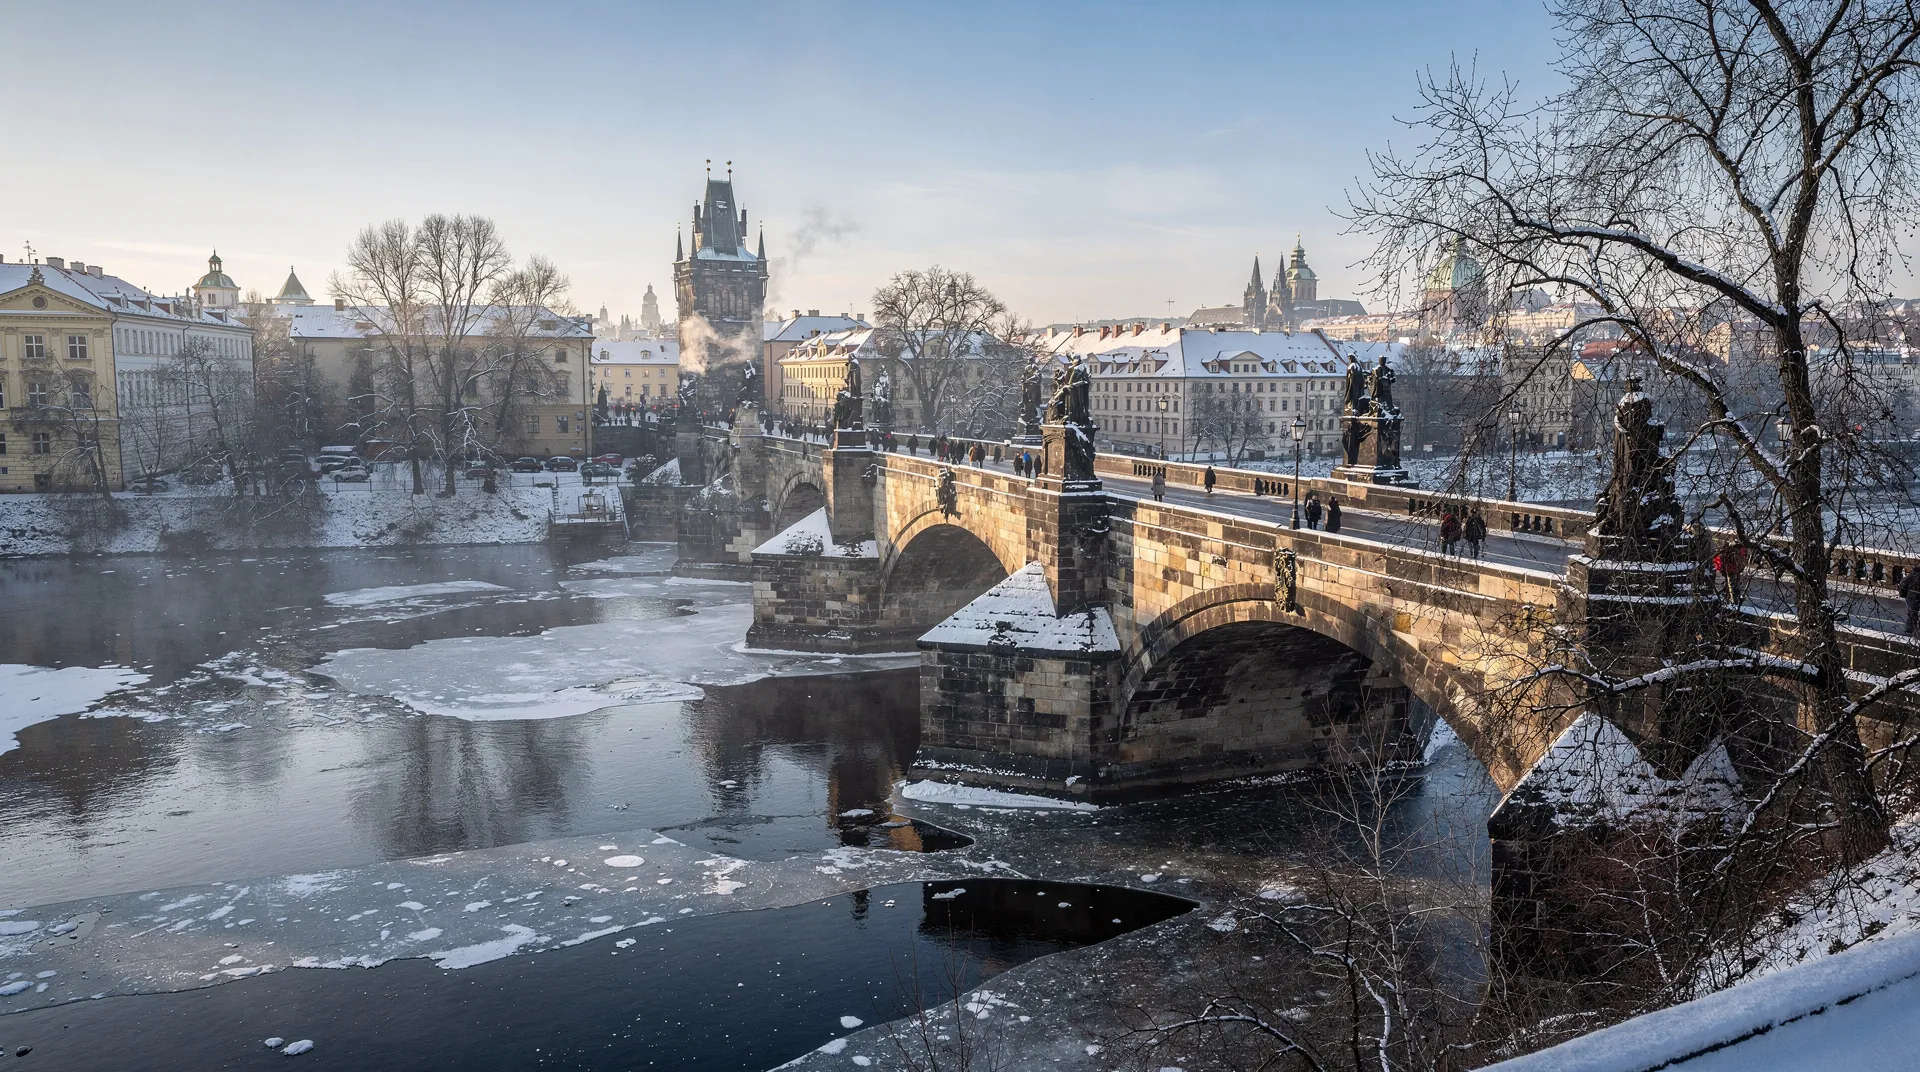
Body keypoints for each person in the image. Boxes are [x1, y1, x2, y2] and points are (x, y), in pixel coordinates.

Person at [1901, 568, 1920, 639]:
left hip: (1911, 597)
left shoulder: (1911, 576)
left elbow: (1903, 583)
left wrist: (1903, 594)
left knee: (1912, 614)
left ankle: (1910, 629)